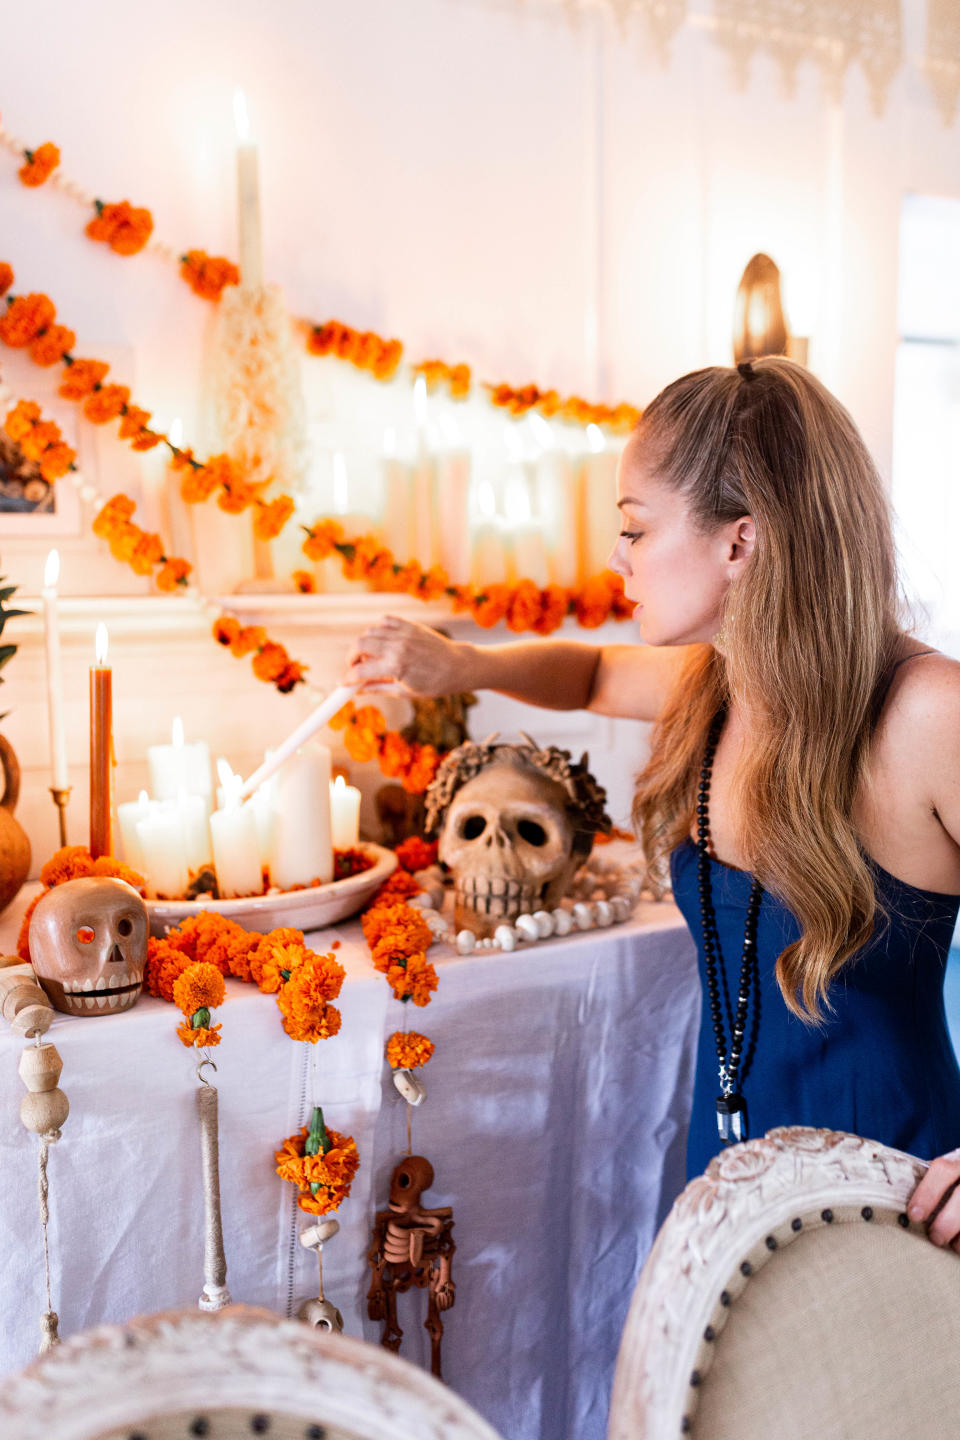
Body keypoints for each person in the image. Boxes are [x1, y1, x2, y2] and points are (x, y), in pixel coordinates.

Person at [344, 355, 960, 1248]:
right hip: (723, 1193)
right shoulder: (715, 682)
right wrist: (461, 662)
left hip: (899, 1209)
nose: (616, 557)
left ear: (739, 542)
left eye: (635, 529)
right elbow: (590, 670)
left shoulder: (928, 712)